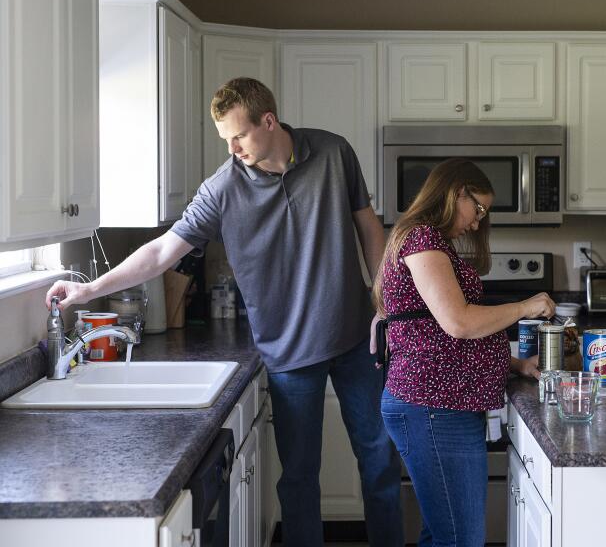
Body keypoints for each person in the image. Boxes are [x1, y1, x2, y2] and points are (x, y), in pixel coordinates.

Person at [45, 77, 403, 547]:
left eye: (239, 136)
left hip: (357, 337)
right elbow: (159, 255)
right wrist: (90, 288)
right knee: (298, 479)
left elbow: (370, 230)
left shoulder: (334, 153)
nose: (232, 148)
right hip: (289, 353)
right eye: (225, 140)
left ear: (268, 121)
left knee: (380, 463)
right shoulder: (221, 190)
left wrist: (385, 304)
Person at [371, 157, 555, 546]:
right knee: (460, 539)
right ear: (457, 192)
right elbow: (458, 322)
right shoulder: (422, 239)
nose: (477, 222)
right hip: (432, 406)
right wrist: (525, 307)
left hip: (441, 405)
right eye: (479, 208)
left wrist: (515, 364)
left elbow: (439, 333)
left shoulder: (431, 242)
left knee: (444, 534)